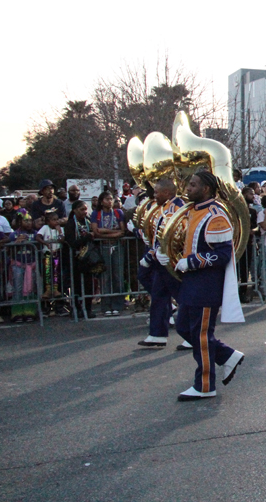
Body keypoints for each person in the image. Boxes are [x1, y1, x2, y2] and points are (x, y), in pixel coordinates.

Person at [157, 171, 244, 401]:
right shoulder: (193, 211)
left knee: (202, 335)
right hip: (191, 282)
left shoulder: (216, 215)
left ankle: (205, 384)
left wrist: (192, 261)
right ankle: (227, 356)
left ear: (206, 189)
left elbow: (225, 254)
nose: (187, 189)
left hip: (206, 285)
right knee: (185, 327)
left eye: (193, 185)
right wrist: (166, 255)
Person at [137, 179, 185, 347]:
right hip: (161, 260)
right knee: (158, 295)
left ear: (166, 193)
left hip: (171, 261)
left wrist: (150, 255)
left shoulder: (176, 208)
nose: (154, 195)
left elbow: (168, 236)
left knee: (182, 297)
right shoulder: (163, 207)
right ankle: (157, 333)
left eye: (157, 192)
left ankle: (191, 334)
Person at [91, 192, 127, 315]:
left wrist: (106, 232)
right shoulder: (97, 213)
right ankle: (106, 306)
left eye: (111, 199)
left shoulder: (118, 213)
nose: (110, 201)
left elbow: (122, 231)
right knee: (105, 277)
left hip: (117, 247)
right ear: (102, 201)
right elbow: (95, 231)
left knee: (118, 275)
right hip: (103, 247)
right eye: (107, 199)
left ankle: (118, 304)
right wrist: (113, 232)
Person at [37, 209, 69, 316]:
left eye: (57, 220)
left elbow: (62, 239)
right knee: (47, 272)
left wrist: (60, 231)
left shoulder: (60, 229)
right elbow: (38, 237)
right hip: (47, 254)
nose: (56, 222)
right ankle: (48, 291)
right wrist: (45, 243)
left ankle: (55, 290)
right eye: (53, 220)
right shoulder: (45, 228)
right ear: (48, 221)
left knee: (56, 272)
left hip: (57, 253)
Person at [9, 211, 39, 323]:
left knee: (30, 288)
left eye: (30, 220)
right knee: (18, 288)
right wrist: (17, 242)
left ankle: (30, 311)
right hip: (18, 264)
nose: (29, 222)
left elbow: (39, 247)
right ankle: (17, 313)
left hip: (31, 265)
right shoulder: (14, 234)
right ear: (20, 222)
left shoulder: (35, 234)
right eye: (26, 220)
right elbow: (9, 251)